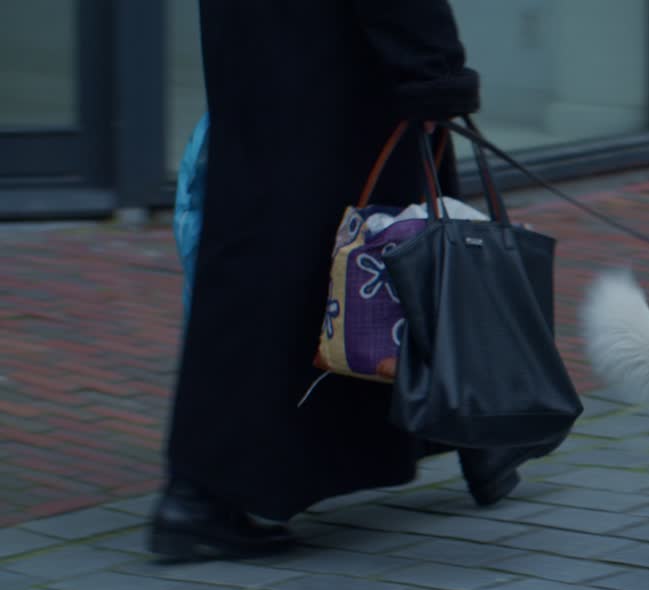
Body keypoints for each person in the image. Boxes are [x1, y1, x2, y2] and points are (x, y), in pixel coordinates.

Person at [151, 0, 518, 560]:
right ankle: (203, 495)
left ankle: (469, 434)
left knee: (314, 258)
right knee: (393, 249)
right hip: (342, 68)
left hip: (276, 58)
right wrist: (433, 65)